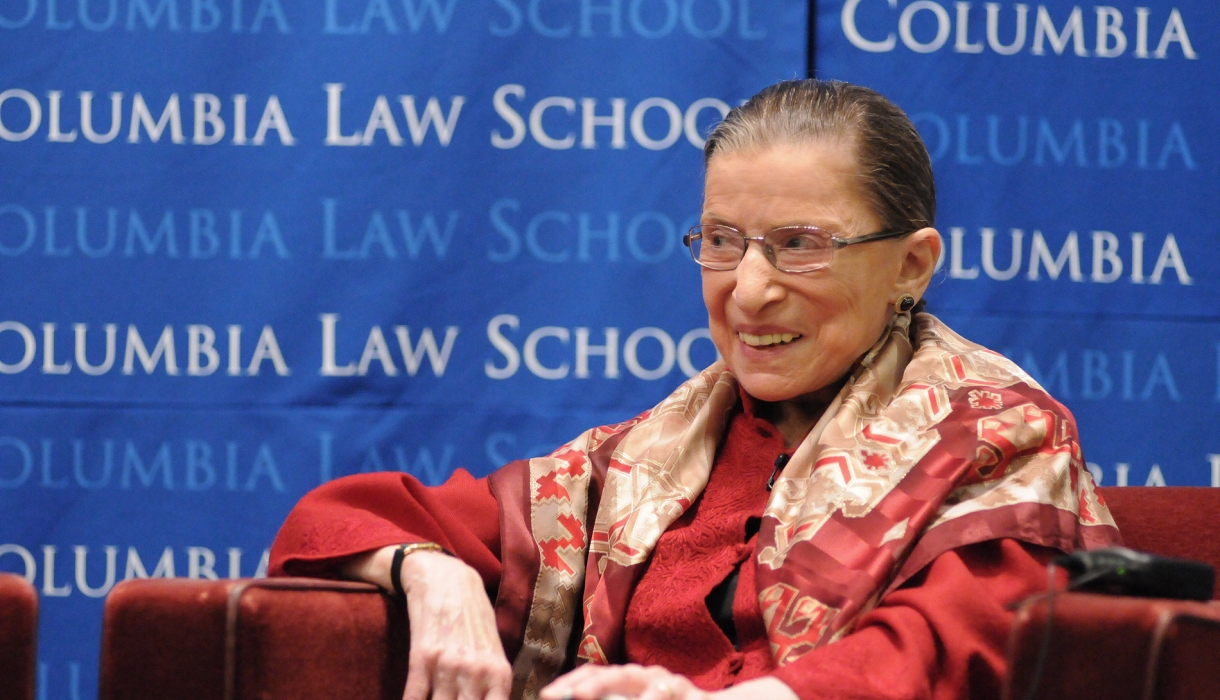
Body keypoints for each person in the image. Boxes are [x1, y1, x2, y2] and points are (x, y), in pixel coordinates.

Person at [269, 80, 1119, 700]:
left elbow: (963, 646)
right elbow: (339, 519)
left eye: (799, 244)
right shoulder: (642, 461)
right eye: (722, 241)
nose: (748, 290)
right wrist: (435, 576)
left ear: (911, 264)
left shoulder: (996, 433)